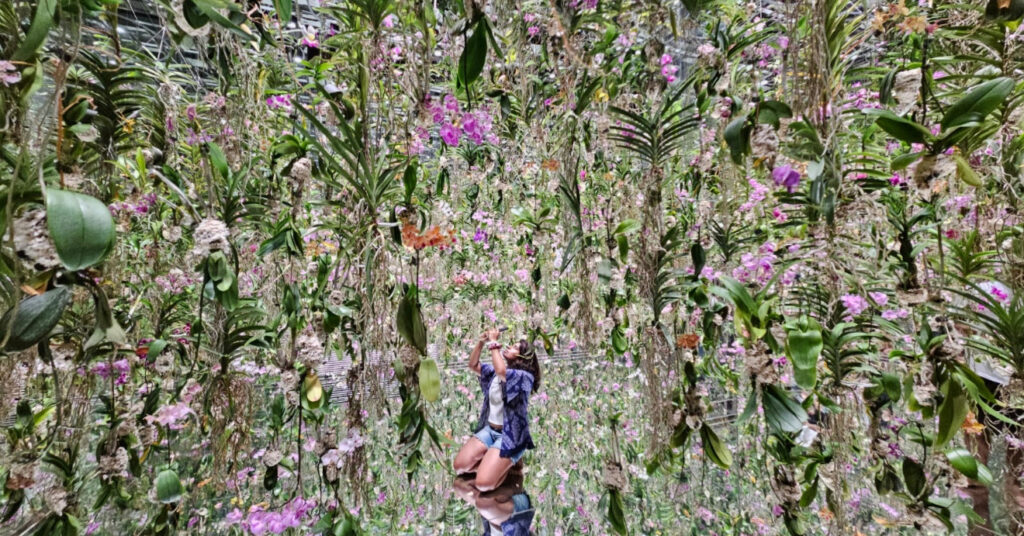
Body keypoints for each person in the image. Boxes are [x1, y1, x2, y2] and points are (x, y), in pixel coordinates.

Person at [453, 328, 541, 491]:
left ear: (523, 357)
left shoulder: (524, 377)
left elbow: (502, 372)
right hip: (491, 430)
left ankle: (499, 471)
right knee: (460, 467)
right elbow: (473, 365)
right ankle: (493, 466)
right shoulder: (496, 372)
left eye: (515, 348)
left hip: (511, 436)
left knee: (483, 485)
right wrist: (481, 342)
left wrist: (494, 344)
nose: (509, 347)